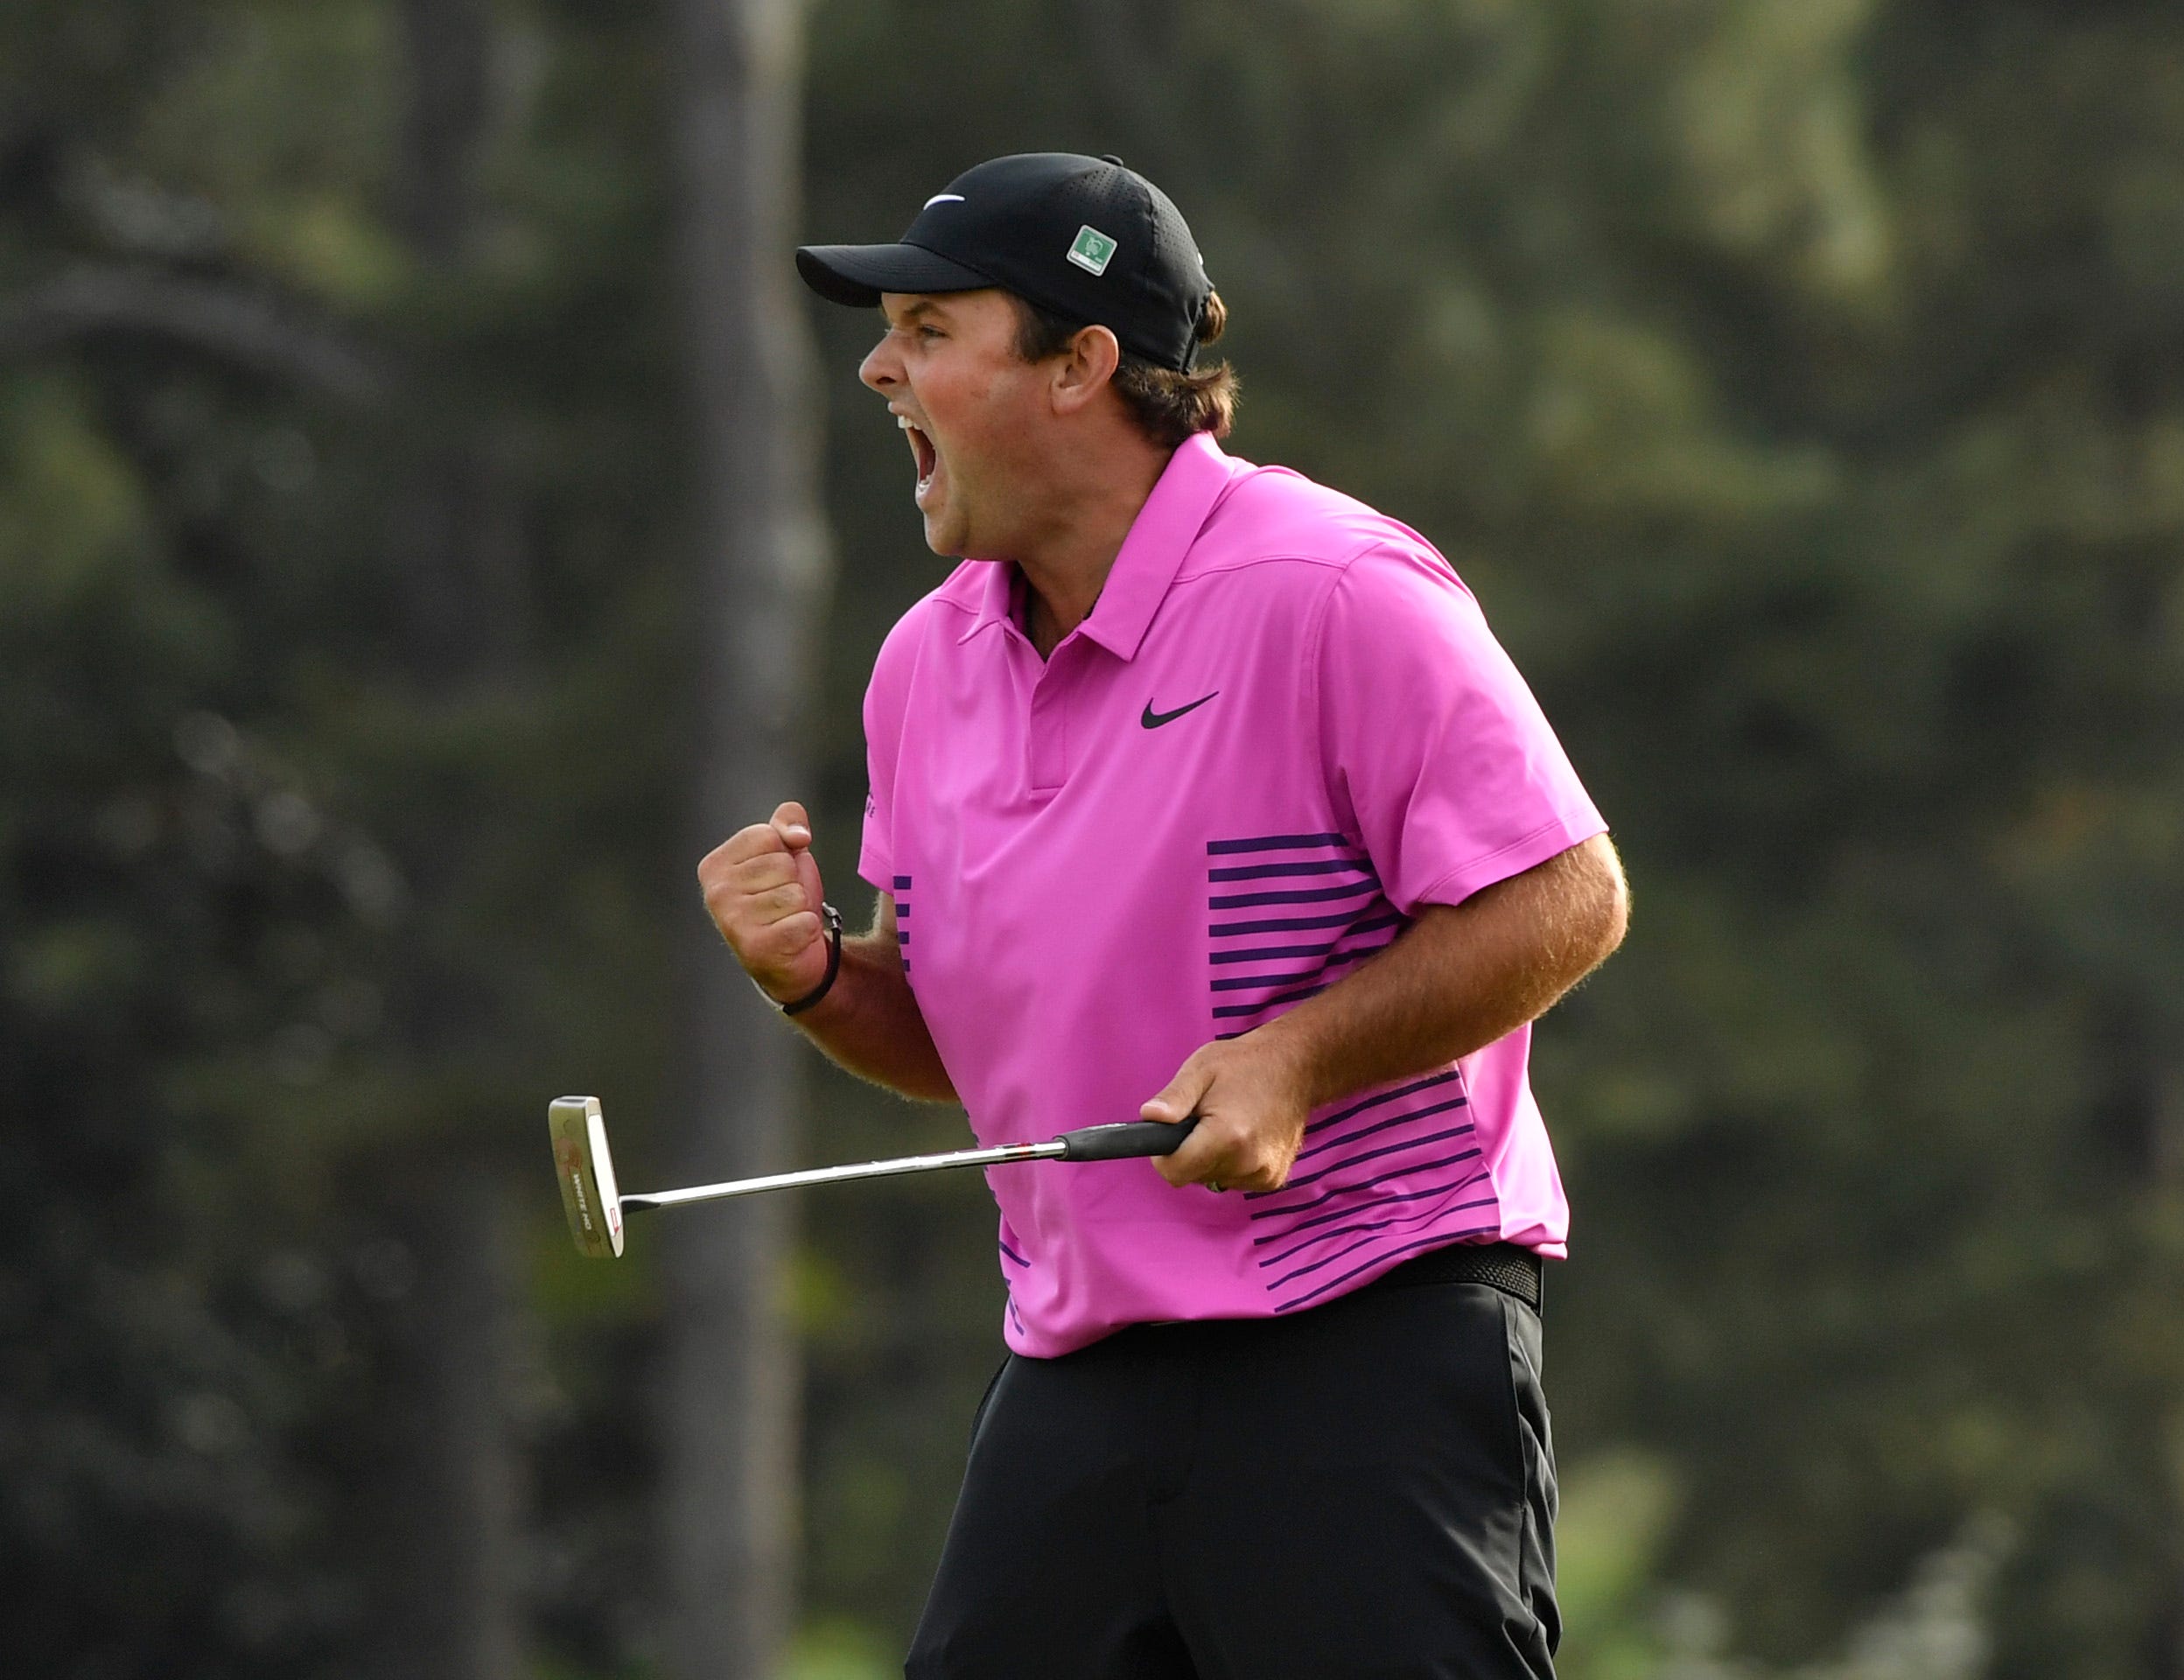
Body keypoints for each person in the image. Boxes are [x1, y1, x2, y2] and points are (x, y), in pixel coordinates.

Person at [699, 152, 1628, 1680]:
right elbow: (968, 1044)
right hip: (1078, 1375)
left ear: (1082, 365)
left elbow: (1568, 895)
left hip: (1363, 1342)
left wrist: (1297, 1060)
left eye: (931, 330)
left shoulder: (1332, 589)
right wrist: (812, 977)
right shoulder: (926, 665)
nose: (877, 367)